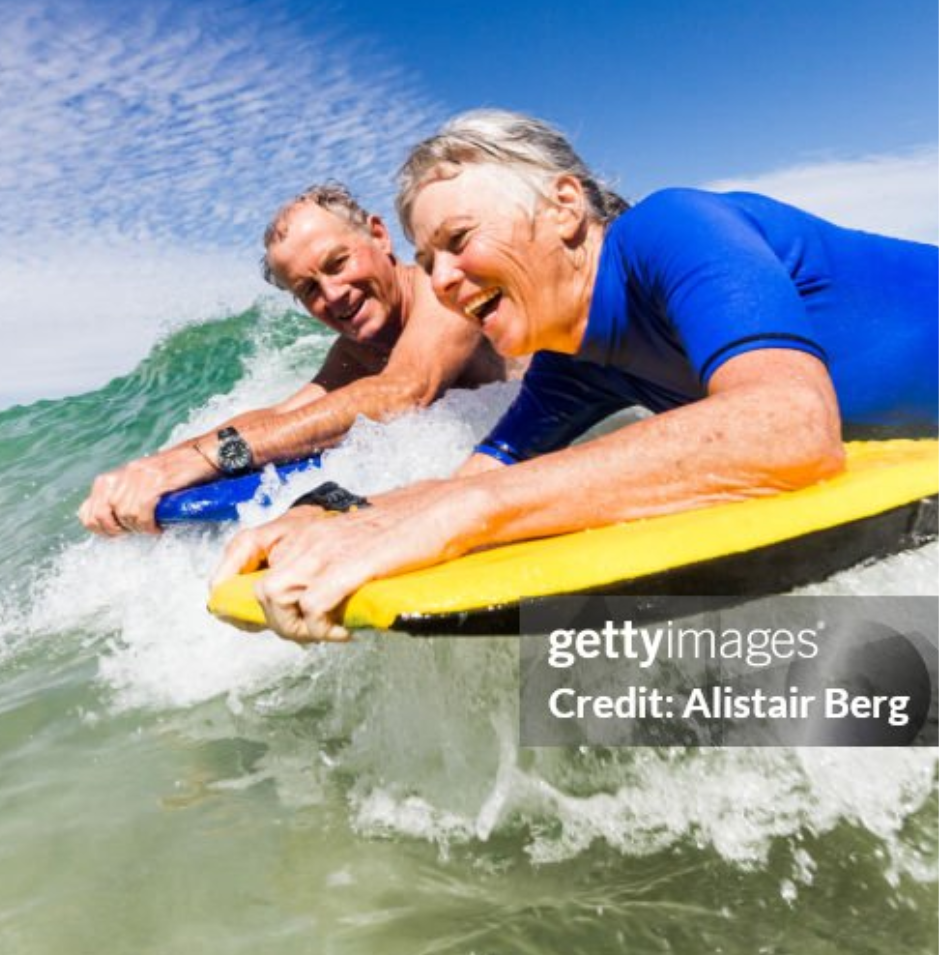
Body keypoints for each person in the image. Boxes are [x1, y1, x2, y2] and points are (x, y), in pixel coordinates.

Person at [212, 109, 938, 643]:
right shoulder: (574, 365)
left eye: (458, 241)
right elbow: (468, 485)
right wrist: (329, 515)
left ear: (564, 206)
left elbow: (789, 428)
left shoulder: (671, 229)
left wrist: (467, 516)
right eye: (428, 262)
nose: (442, 281)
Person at [78, 182, 507, 536]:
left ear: (379, 235)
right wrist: (159, 466)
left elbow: (404, 390)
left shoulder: (445, 289)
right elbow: (282, 414)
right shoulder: (357, 352)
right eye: (309, 290)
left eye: (338, 263)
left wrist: (206, 459)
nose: (334, 295)